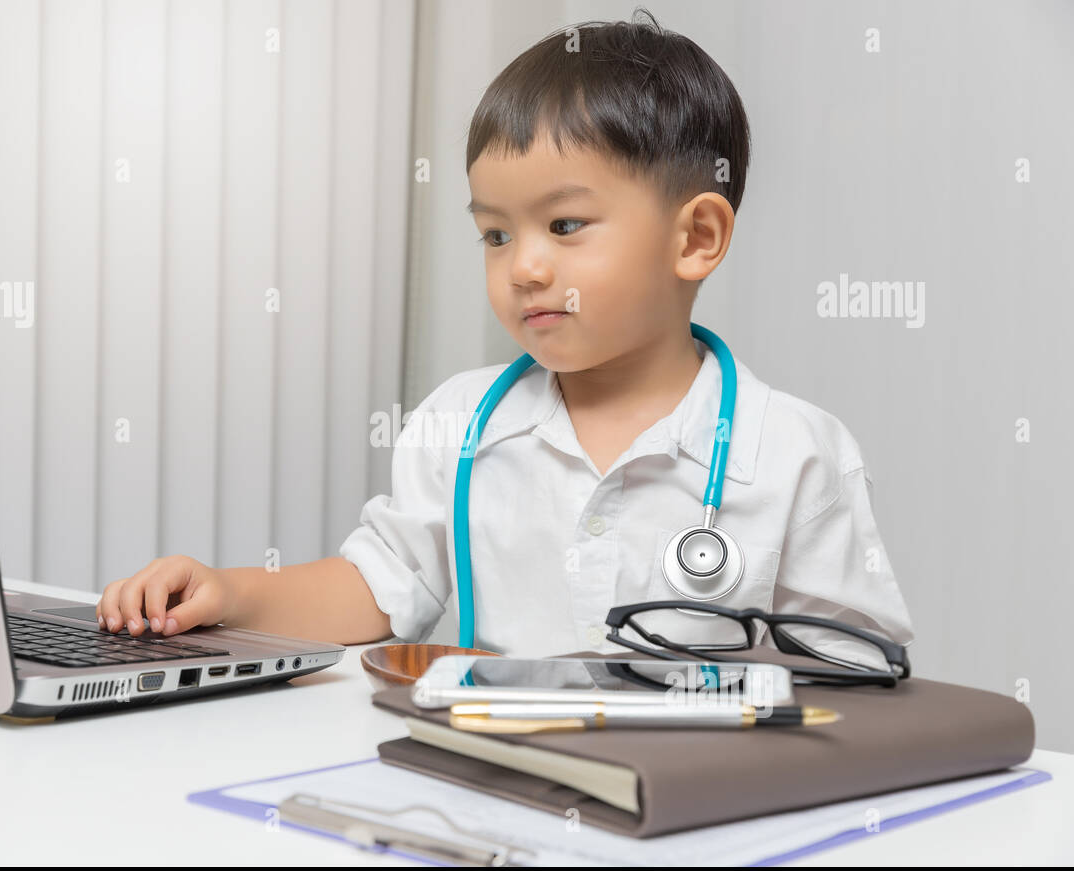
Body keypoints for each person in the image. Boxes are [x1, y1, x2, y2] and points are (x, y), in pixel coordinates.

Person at [95, 10, 914, 667]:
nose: (523, 267)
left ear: (695, 236)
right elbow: (379, 588)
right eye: (494, 235)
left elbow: (851, 669)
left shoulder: (797, 453)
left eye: (564, 224)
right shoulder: (462, 420)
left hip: (701, 810)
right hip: (499, 779)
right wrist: (233, 595)